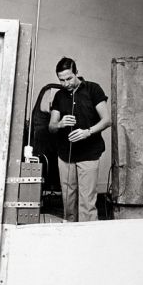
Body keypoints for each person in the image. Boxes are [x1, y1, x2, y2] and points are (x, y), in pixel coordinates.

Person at [48, 57, 111, 222]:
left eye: (69, 78)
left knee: (87, 202)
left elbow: (107, 120)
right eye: (61, 80)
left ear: (77, 73)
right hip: (65, 155)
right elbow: (51, 126)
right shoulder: (59, 96)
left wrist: (87, 132)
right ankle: (70, 236)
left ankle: (88, 239)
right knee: (68, 201)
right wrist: (60, 123)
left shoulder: (93, 89)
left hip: (89, 153)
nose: (66, 83)